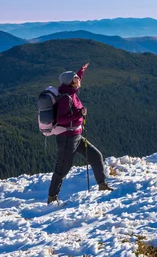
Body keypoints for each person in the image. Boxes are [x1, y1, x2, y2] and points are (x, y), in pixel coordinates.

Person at [47, 62, 113, 204]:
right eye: (76, 78)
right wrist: (78, 114)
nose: (79, 80)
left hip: (76, 135)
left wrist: (82, 70)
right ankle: (52, 197)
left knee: (95, 155)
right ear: (71, 82)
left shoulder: (71, 91)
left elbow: (76, 78)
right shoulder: (66, 98)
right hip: (67, 138)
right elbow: (60, 118)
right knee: (62, 168)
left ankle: (102, 185)